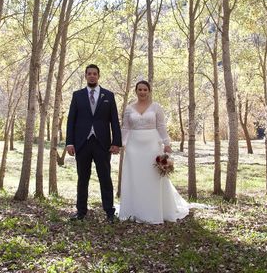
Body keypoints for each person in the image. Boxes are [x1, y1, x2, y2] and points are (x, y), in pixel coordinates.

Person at [118, 80, 189, 224]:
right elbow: (125, 128)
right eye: (140, 89)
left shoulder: (156, 107)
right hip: (134, 146)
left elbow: (161, 126)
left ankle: (154, 210)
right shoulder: (129, 109)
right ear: (136, 91)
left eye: (145, 89)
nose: (142, 92)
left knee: (152, 176)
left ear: (149, 91)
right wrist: (122, 144)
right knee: (136, 176)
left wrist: (167, 143)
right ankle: (135, 210)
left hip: (152, 145)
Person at [66, 64, 122, 222]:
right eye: (89, 73)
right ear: (85, 76)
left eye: (94, 73)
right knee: (82, 178)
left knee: (105, 178)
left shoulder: (108, 95)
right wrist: (69, 142)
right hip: (82, 143)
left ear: (99, 76)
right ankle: (81, 212)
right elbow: (71, 120)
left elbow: (114, 121)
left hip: (102, 143)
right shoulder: (77, 95)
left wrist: (116, 142)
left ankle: (110, 212)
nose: (92, 76)